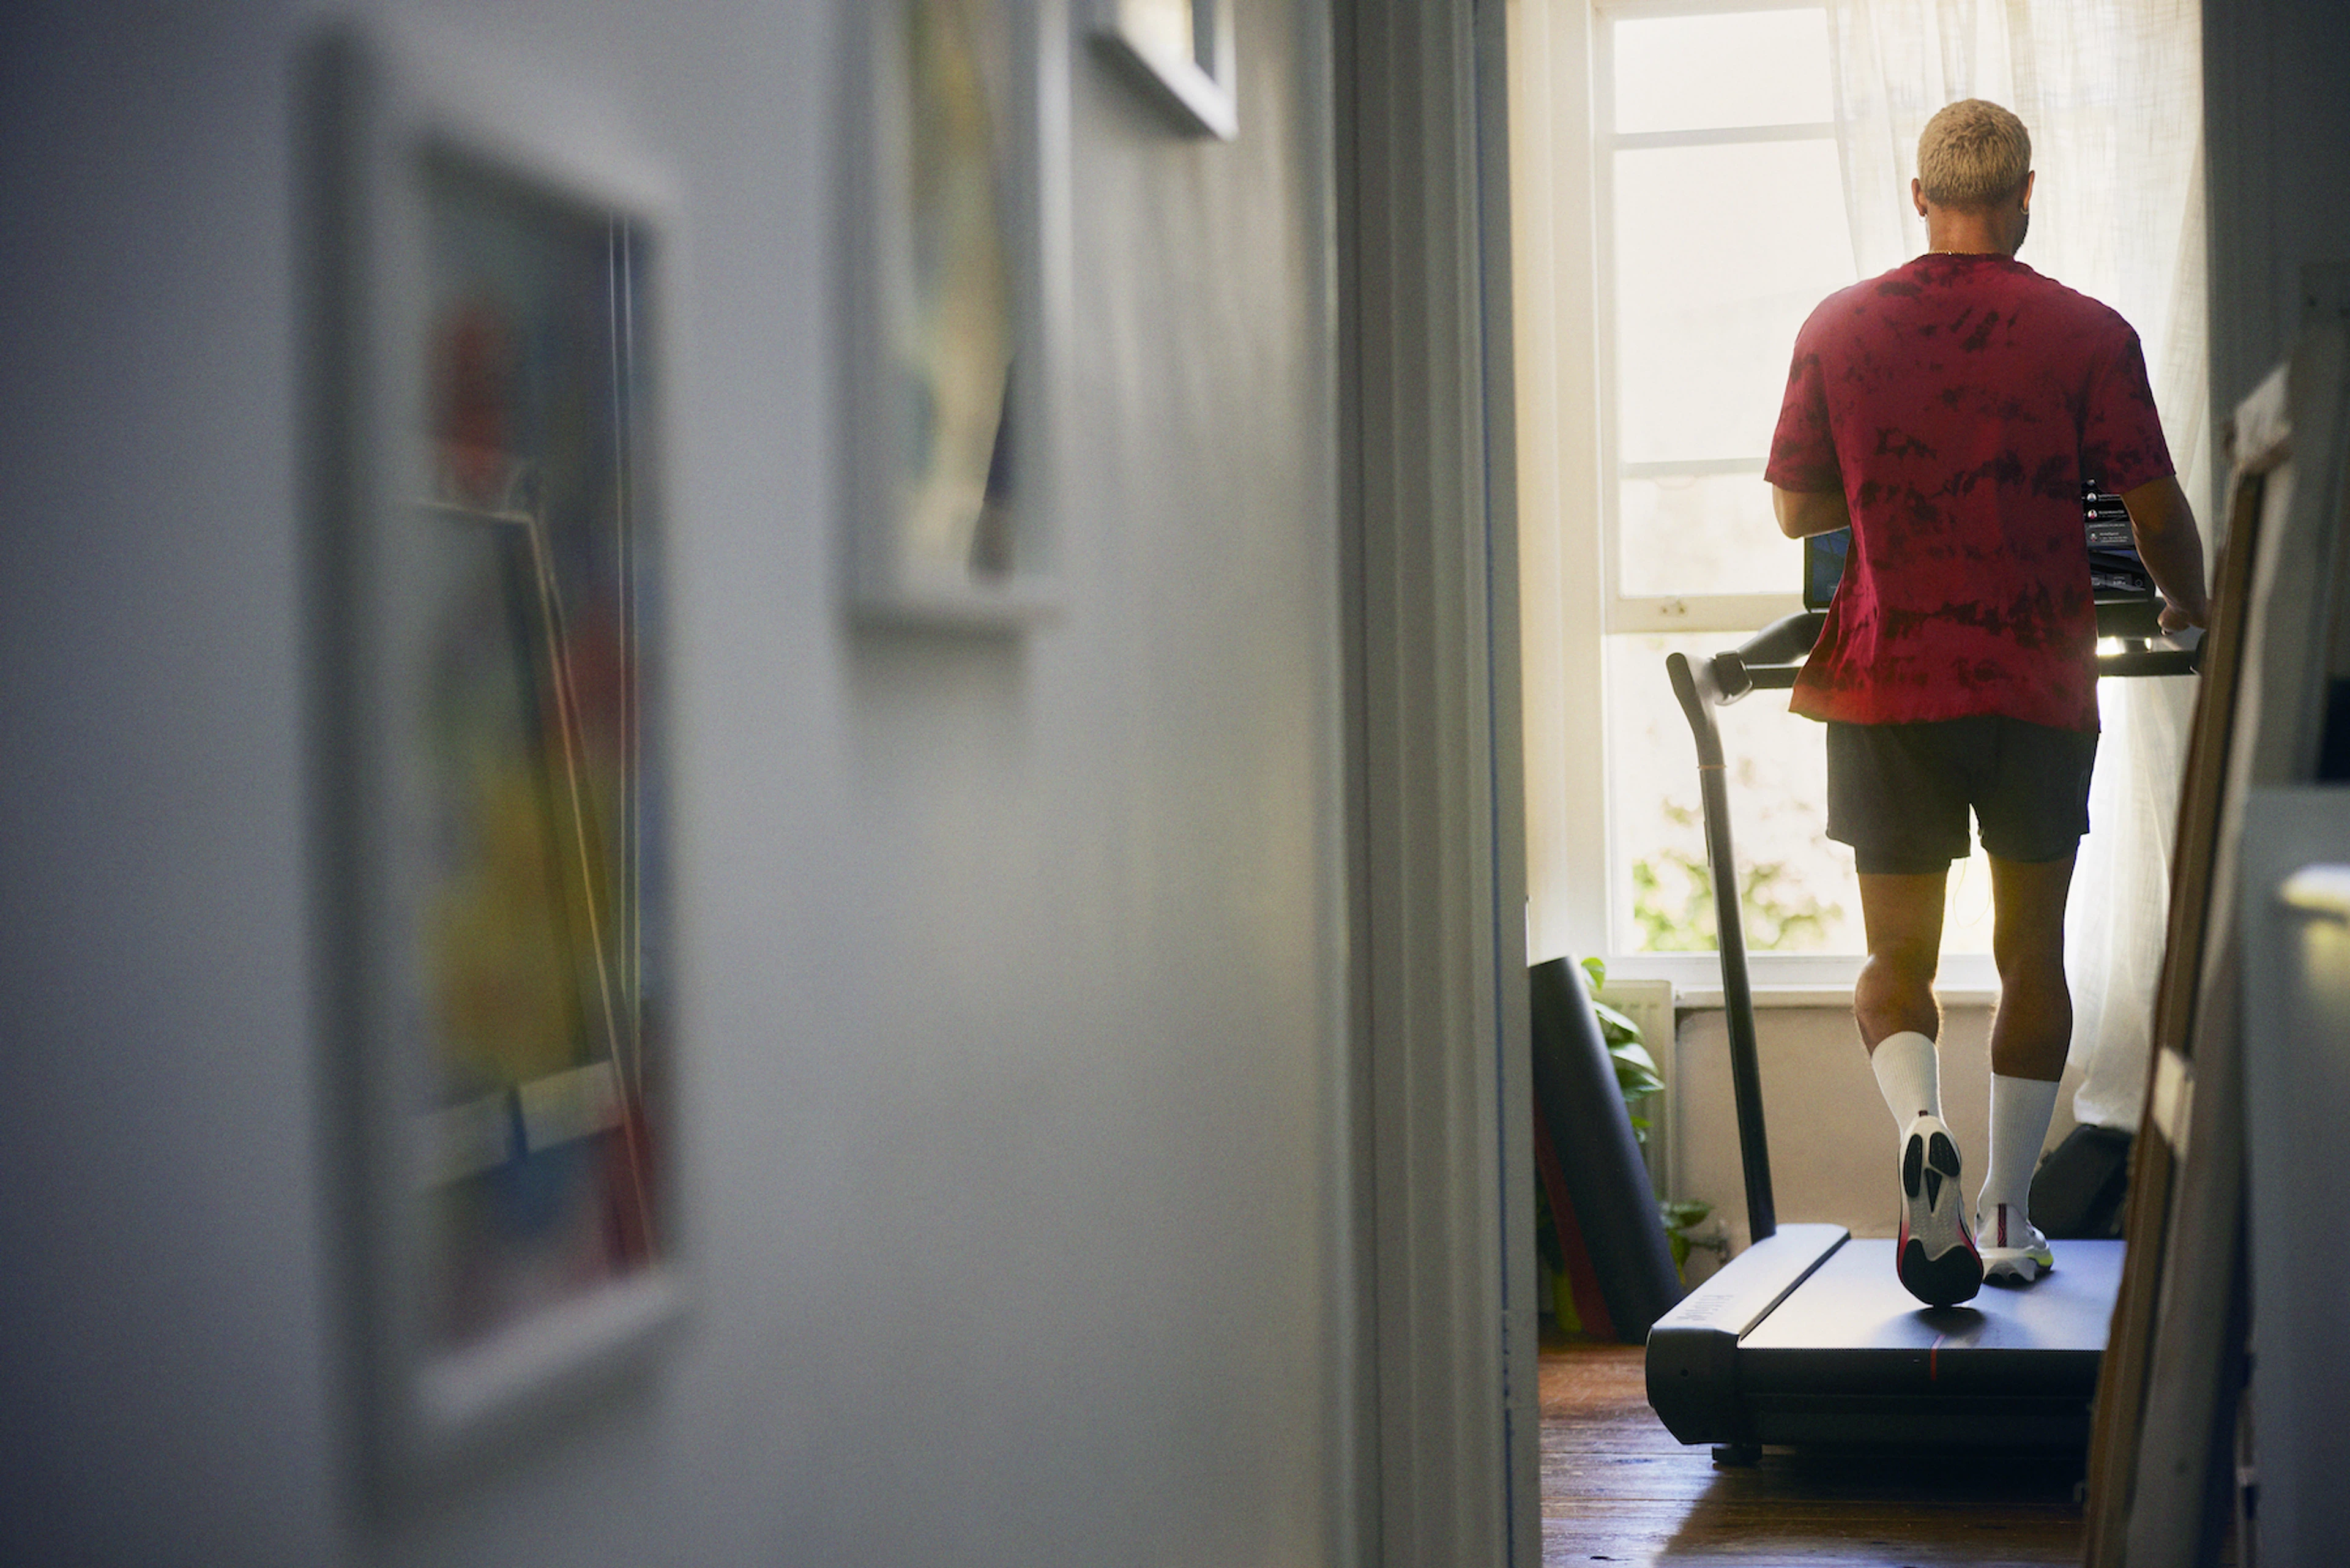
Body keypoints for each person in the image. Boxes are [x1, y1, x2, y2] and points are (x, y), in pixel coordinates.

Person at [1765, 99, 2209, 1307]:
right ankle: (2008, 1211)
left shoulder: (1839, 325)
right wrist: (2192, 606)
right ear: (2024, 197)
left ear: (1921, 197)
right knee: (2031, 954)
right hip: (2034, 680)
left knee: (1893, 957)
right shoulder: (2089, 332)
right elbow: (2156, 511)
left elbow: (1798, 510)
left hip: (1886, 679)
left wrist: (1894, 479)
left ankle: (1922, 1131)